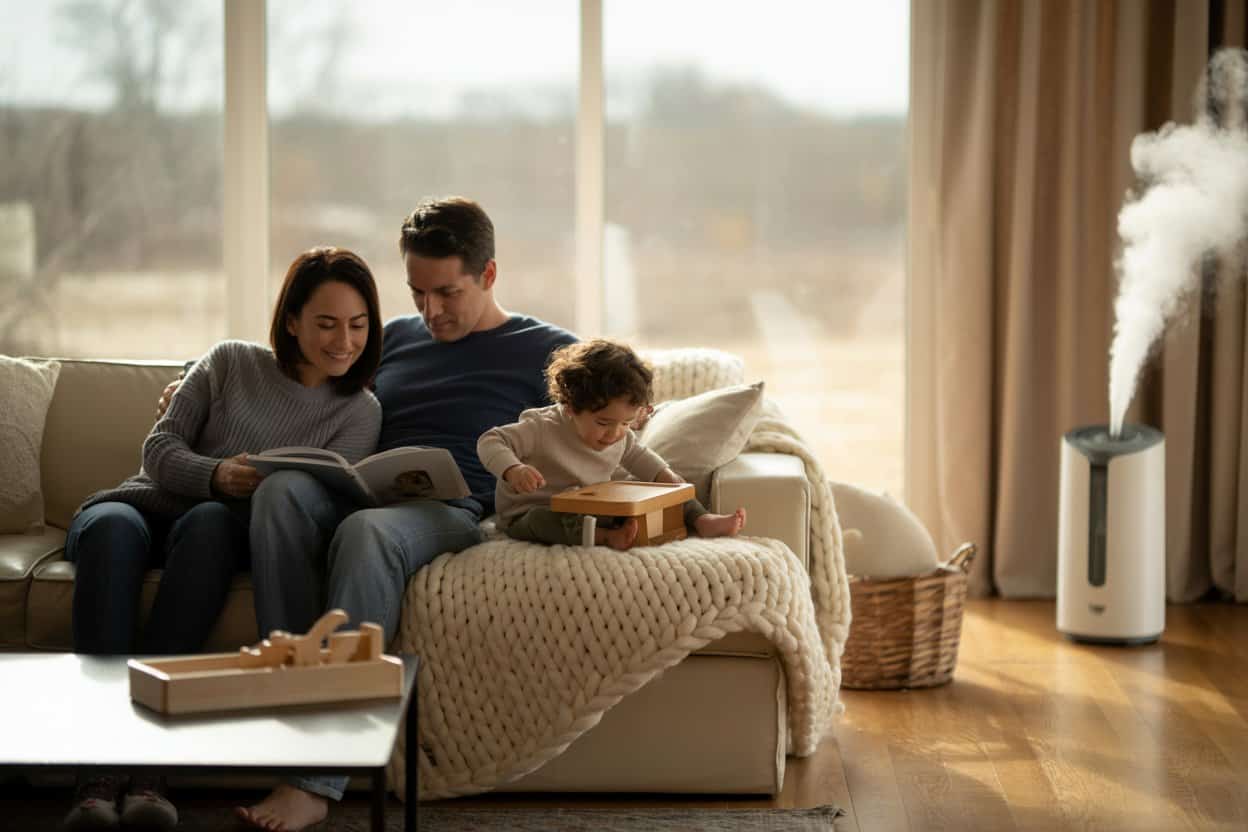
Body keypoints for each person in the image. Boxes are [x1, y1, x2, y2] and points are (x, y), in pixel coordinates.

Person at [223, 197, 578, 831]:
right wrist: (195, 385)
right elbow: (295, 368)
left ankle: (316, 779)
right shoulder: (393, 341)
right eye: (416, 292)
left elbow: (619, 415)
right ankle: (289, 698)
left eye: (447, 292)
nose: (430, 311)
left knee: (366, 532)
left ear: (489, 274)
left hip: (450, 509)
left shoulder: (545, 350)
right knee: (279, 493)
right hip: (361, 488)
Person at [62, 247, 384, 832]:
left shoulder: (360, 411)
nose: (344, 341)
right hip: (137, 508)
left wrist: (229, 496)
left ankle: (151, 773)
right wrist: (214, 475)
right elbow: (157, 451)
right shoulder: (230, 361)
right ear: (291, 320)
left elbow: (326, 502)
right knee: (110, 529)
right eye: (327, 323)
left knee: (211, 525)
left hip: (210, 533)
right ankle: (96, 777)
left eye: (358, 325)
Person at [479, 338, 747, 549]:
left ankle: (702, 519)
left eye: (626, 423)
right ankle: (606, 537)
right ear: (571, 408)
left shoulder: (620, 434)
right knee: (542, 520)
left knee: (666, 488)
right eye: (603, 423)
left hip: (591, 506)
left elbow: (638, 455)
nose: (615, 434)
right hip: (532, 513)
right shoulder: (542, 428)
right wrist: (513, 469)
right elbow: (491, 441)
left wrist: (664, 476)